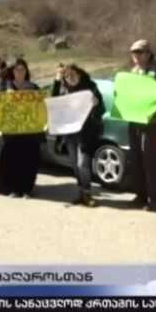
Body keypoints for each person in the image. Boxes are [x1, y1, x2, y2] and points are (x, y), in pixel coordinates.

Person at [53, 64, 105, 206]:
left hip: (86, 133)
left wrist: (96, 104)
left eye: (73, 75)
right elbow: (53, 102)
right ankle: (81, 193)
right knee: (75, 164)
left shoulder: (90, 88)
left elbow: (102, 109)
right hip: (70, 134)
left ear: (80, 74)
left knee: (83, 164)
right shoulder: (64, 90)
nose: (71, 78)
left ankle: (87, 193)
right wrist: (57, 80)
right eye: (67, 76)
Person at [128, 39, 156, 211]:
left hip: (151, 121)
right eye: (133, 53)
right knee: (136, 158)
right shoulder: (134, 71)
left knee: (150, 159)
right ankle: (140, 195)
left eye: (139, 52)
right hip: (135, 119)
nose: (136, 56)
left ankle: (155, 197)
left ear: (147, 53)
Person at [0, 59, 42, 198]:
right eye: (17, 69)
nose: (20, 72)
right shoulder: (5, 87)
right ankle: (14, 188)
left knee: (28, 160)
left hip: (30, 130)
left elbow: (41, 107)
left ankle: (27, 189)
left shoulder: (33, 87)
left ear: (26, 71)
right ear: (12, 72)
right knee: (12, 159)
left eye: (22, 69)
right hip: (12, 130)